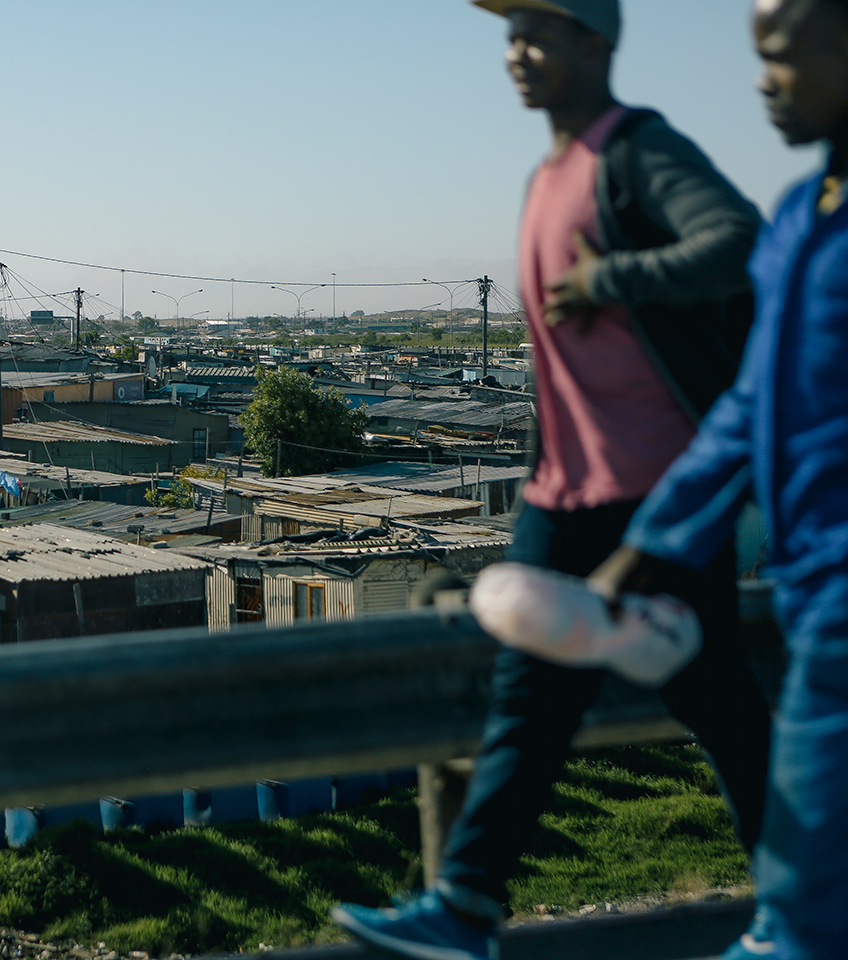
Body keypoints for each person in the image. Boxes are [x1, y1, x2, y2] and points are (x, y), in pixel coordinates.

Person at [331, 3, 773, 959]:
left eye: (537, 32)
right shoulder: (544, 177)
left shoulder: (637, 151)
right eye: (509, 35)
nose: (516, 54)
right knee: (530, 700)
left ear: (595, 41)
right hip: (561, 494)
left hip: (654, 495)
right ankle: (465, 906)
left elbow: (738, 238)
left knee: (719, 708)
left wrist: (615, 279)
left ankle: (802, 908)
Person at [588, 1, 848, 956]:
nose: (761, 82)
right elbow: (748, 408)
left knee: (798, 910)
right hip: (812, 591)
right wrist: (653, 544)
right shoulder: (799, 219)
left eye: (779, 56)